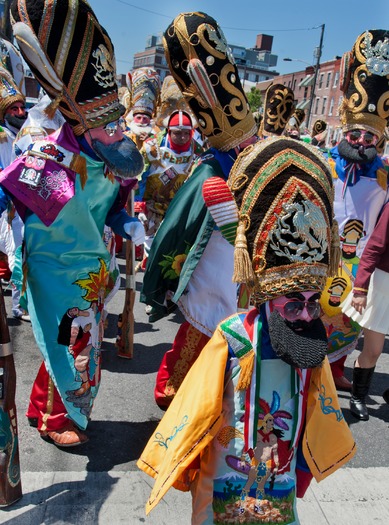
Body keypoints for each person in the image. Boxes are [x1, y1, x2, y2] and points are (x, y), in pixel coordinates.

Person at [138, 136, 356, 524]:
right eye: (292, 304)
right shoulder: (232, 335)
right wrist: (183, 457)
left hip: (279, 469)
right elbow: (197, 404)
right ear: (265, 300)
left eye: (312, 303)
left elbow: (317, 413)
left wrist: (304, 468)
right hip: (225, 465)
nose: (306, 316)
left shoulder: (308, 345)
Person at [0, 0, 145, 448]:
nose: (119, 133)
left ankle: (43, 408)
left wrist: (127, 225)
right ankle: (55, 418)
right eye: (110, 126)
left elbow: (113, 208)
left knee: (79, 346)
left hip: (93, 270)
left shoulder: (108, 161)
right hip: (53, 271)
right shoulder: (48, 163)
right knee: (69, 345)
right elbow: (7, 194)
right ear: (80, 123)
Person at [140, 11, 258, 409]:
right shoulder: (208, 167)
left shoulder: (260, 157)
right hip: (211, 270)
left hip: (243, 272)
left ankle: (214, 404)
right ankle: (171, 394)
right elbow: (181, 223)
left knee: (235, 343)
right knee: (198, 334)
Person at [321, 29, 389, 392]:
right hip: (321, 251)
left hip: (361, 261)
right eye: (356, 135)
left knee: (348, 322)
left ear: (379, 141)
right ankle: (309, 370)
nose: (362, 142)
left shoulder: (384, 175)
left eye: (369, 137)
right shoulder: (324, 165)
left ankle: (334, 372)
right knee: (314, 314)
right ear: (344, 132)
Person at [341, 201, 389, 420]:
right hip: (383, 285)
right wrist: (360, 288)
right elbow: (374, 247)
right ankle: (358, 397)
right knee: (374, 350)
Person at [0, 64, 28, 320]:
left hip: (27, 205)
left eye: (22, 108)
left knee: (25, 254)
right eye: (13, 109)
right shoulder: (1, 137)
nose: (20, 113)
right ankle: (19, 307)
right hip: (7, 208)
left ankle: (24, 305)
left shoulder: (29, 135)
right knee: (16, 256)